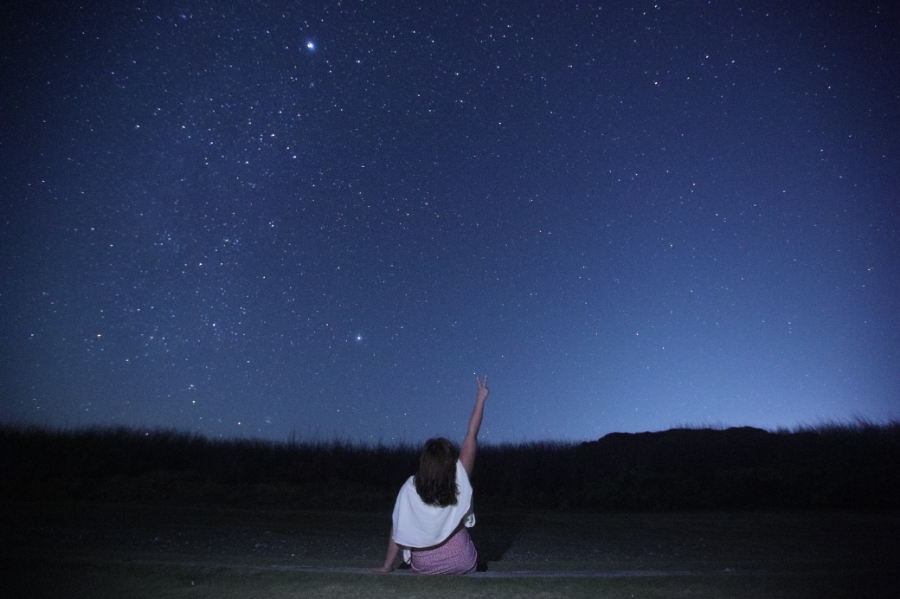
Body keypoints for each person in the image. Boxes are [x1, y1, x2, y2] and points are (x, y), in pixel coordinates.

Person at [370, 376, 489, 575]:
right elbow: (471, 434)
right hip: (461, 561)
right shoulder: (459, 477)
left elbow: (398, 527)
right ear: (450, 459)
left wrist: (387, 566)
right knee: (471, 549)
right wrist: (481, 399)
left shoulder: (410, 486)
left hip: (424, 565)